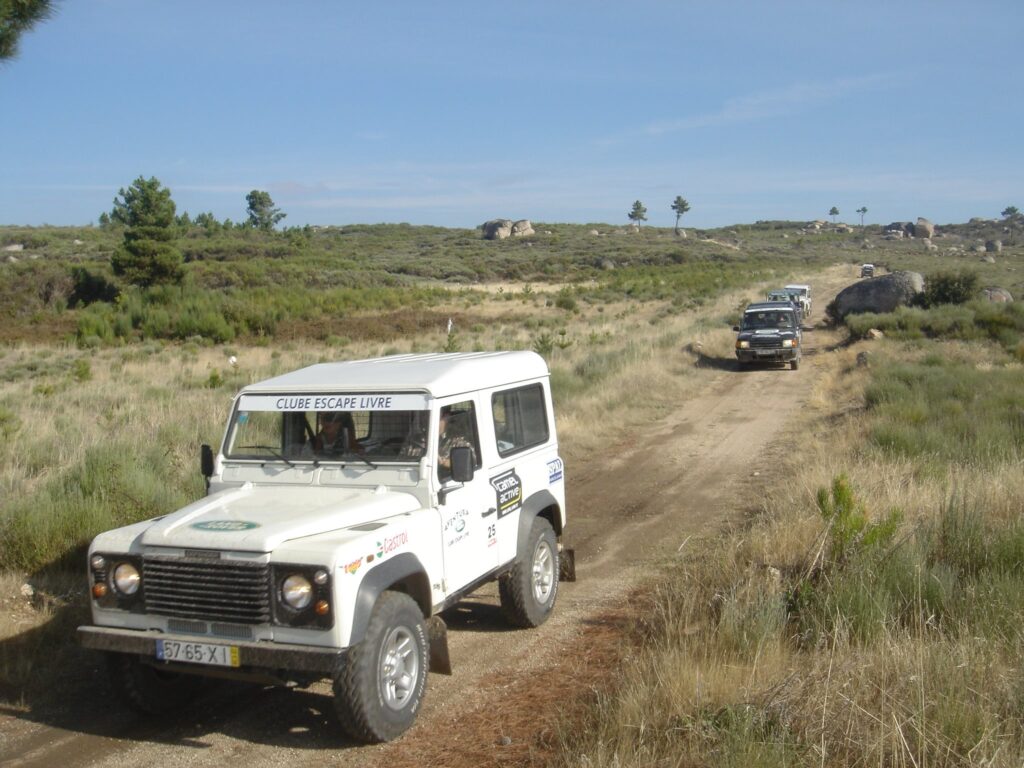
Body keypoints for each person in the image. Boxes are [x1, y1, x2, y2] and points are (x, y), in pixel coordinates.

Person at [437, 407, 473, 477]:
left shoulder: (461, 443)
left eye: (437, 419)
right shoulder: (441, 440)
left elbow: (469, 462)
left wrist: (444, 462)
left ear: (446, 418)